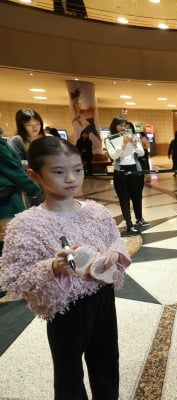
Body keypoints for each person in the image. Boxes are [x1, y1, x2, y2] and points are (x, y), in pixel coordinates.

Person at [0, 136, 131, 399]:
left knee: (106, 360)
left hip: (103, 297)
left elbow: (115, 239)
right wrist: (53, 266)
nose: (71, 178)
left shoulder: (97, 212)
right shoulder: (27, 225)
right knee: (69, 371)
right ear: (34, 175)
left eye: (78, 170)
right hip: (65, 309)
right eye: (59, 172)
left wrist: (113, 253)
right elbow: (13, 279)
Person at [0, 128, 42, 298]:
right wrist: (33, 188)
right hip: (6, 198)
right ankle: (13, 278)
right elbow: (12, 168)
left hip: (7, 196)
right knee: (10, 237)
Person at [105, 116, 148, 236]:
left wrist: (134, 144)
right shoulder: (110, 139)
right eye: (120, 125)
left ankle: (139, 219)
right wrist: (123, 144)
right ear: (115, 126)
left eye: (125, 125)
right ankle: (129, 223)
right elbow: (113, 156)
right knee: (124, 199)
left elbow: (141, 153)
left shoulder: (134, 137)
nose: (123, 128)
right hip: (121, 171)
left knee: (137, 195)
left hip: (135, 169)